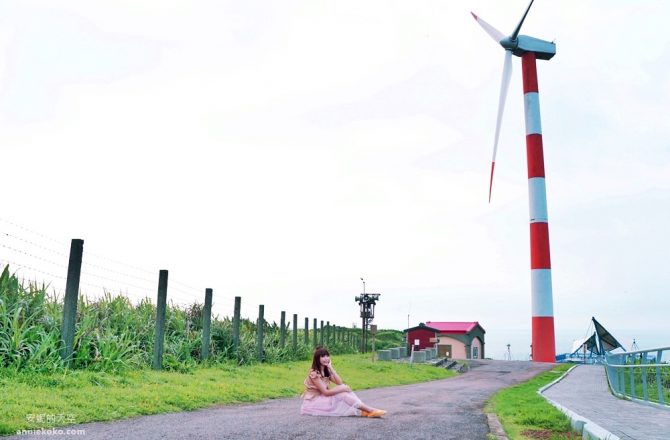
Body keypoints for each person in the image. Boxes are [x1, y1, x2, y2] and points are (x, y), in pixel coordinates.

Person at [300, 346, 386, 418]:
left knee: (343, 389)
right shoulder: (314, 374)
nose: (326, 358)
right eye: (322, 356)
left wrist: (331, 368)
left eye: (327, 356)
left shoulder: (326, 371)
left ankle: (366, 411)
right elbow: (326, 392)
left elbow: (339, 382)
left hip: (323, 399)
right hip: (314, 402)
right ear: (317, 359)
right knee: (343, 392)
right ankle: (370, 410)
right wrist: (342, 389)